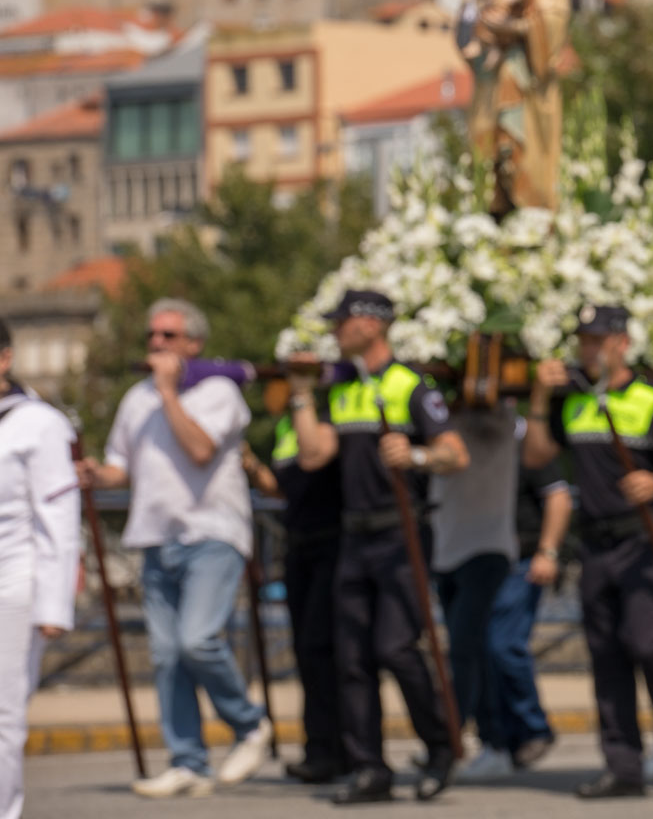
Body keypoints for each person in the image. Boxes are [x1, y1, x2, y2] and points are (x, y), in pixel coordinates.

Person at [78, 299, 271, 798]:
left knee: (197, 640)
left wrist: (168, 392)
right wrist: (97, 474)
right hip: (154, 536)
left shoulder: (218, 391)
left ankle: (250, 725)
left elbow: (201, 449)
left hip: (211, 533)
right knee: (166, 656)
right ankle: (188, 760)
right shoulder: (135, 398)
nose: (156, 344)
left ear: (193, 345)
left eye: (168, 336)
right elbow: (123, 467)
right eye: (152, 337)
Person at [522, 303, 653, 799]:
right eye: (583, 340)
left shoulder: (650, 398)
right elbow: (538, 455)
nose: (588, 348)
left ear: (622, 343)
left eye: (597, 340)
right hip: (594, 542)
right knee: (606, 655)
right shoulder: (573, 400)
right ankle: (623, 765)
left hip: (642, 538)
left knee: (648, 643)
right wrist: (541, 397)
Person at [288, 289, 469, 805]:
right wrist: (302, 393)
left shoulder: (410, 384)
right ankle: (370, 768)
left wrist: (414, 454)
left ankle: (439, 746)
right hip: (354, 533)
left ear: (371, 325)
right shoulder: (342, 388)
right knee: (351, 658)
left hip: (401, 531)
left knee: (394, 647)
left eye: (341, 322)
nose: (334, 332)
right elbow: (313, 453)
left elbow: (455, 454)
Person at [0, 319, 81, 819]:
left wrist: (53, 605)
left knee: (2, 715)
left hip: (13, 583)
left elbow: (58, 519)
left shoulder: (39, 424)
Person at [243, 407, 347, 783]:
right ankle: (320, 747)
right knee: (307, 650)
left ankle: (335, 750)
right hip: (298, 545)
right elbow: (282, 488)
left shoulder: (329, 420)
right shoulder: (287, 424)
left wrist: (302, 400)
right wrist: (252, 465)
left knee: (325, 648)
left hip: (332, 545)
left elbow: (314, 457)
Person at [469, 417, 570, 774]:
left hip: (521, 560)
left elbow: (558, 496)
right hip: (475, 558)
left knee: (503, 645)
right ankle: (497, 741)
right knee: (477, 650)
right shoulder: (468, 435)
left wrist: (548, 551)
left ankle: (532, 728)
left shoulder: (524, 438)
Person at [430, 406, 520, 777]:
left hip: (488, 548)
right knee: (473, 649)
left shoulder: (500, 419)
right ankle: (492, 740)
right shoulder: (436, 417)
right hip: (446, 549)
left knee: (465, 646)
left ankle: (451, 739)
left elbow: (454, 457)